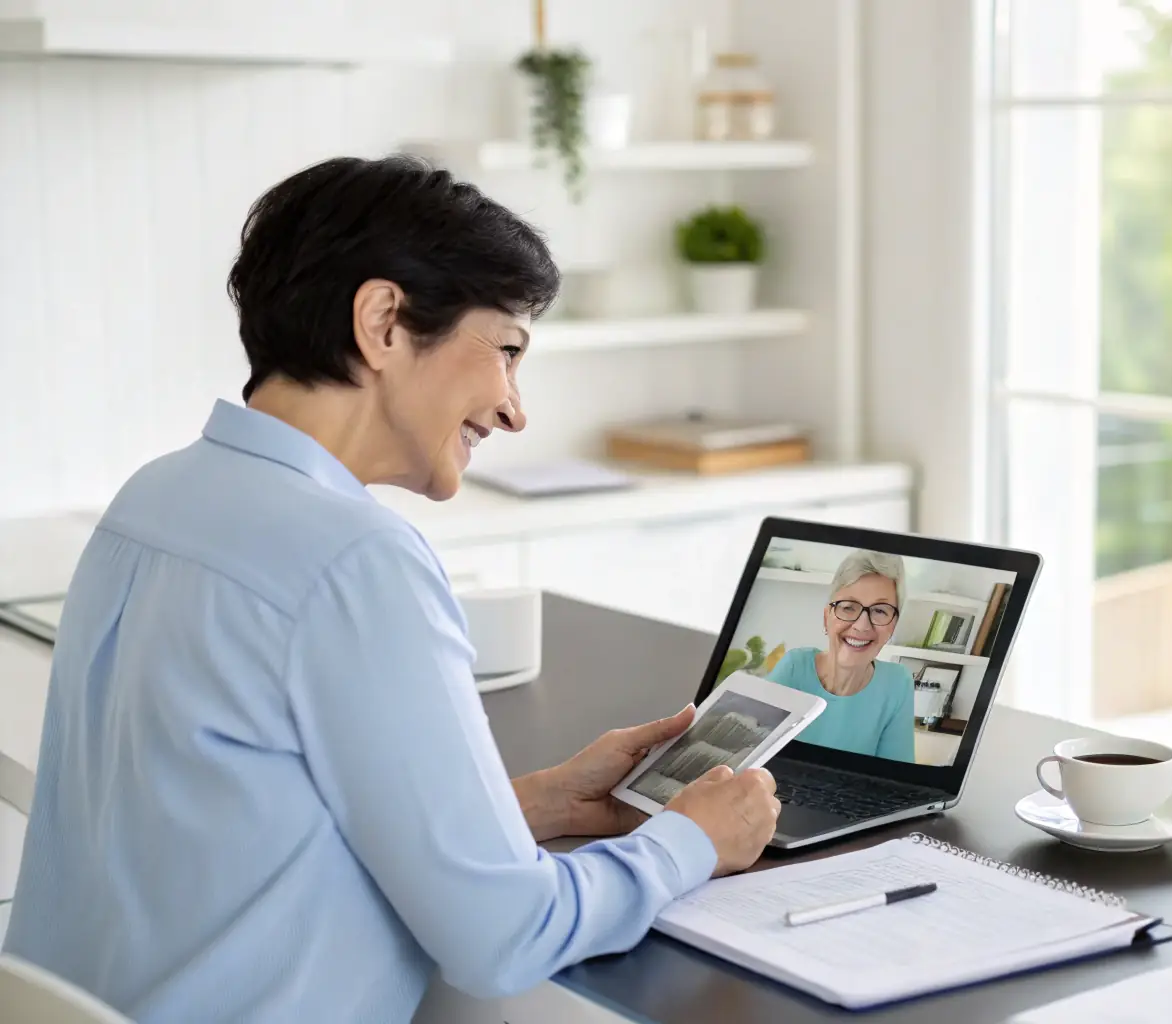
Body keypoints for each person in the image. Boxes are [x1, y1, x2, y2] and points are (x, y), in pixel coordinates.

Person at [2, 155, 781, 1023]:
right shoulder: (354, 559)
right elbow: (504, 938)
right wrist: (691, 843)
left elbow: (236, 838)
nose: (515, 409)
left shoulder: (156, 497)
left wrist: (533, 803)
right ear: (382, 323)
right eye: (508, 351)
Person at [766, 550, 917, 760]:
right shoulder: (794, 667)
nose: (862, 625)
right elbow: (748, 749)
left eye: (880, 611)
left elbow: (897, 779)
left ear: (893, 626)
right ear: (827, 617)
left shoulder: (898, 683)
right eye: (848, 607)